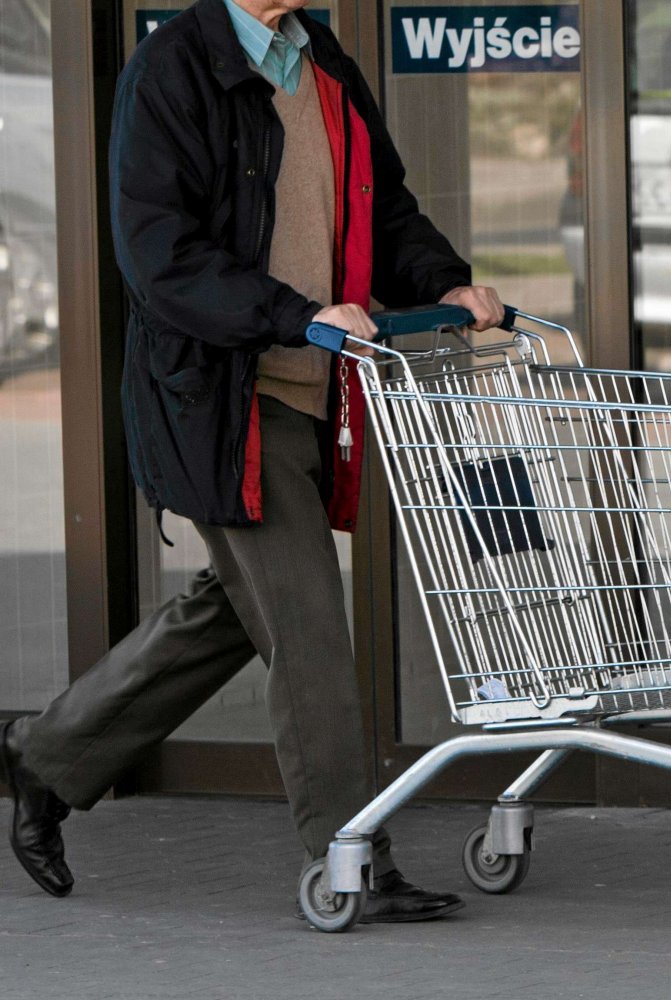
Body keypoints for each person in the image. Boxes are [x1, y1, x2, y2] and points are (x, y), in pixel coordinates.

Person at [0, 0, 507, 922]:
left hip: (313, 388)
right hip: (223, 397)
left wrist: (443, 279)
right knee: (307, 620)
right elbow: (160, 257)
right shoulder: (173, 70)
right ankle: (350, 853)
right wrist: (289, 315)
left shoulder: (323, 63)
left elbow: (382, 210)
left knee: (238, 609)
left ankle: (47, 754)